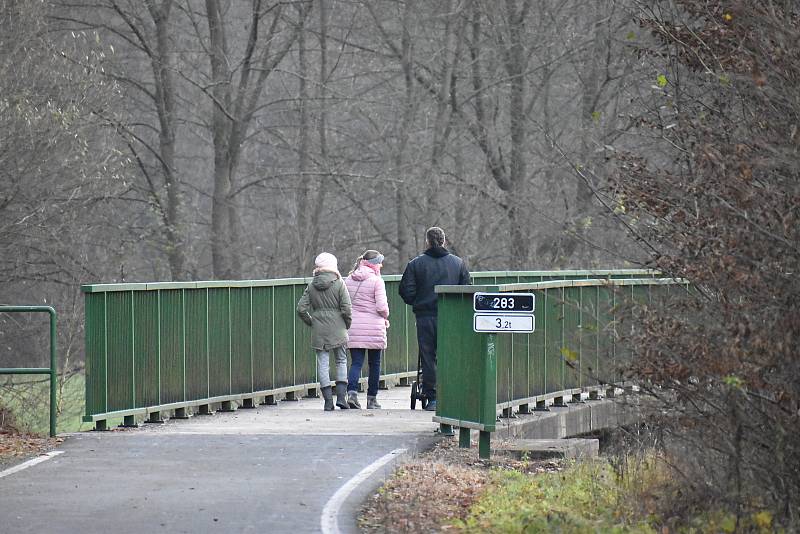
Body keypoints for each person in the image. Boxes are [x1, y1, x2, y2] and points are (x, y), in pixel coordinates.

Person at [399, 227, 470, 411]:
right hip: (451, 317)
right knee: (451, 355)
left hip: (426, 316)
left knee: (428, 356)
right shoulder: (458, 264)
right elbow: (467, 290)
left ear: (427, 242)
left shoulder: (416, 264)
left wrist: (419, 302)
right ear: (444, 241)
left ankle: (432, 396)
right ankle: (453, 393)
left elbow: (406, 291)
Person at [297, 252, 352, 411]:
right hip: (338, 328)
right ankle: (341, 398)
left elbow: (301, 309)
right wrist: (346, 324)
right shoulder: (340, 283)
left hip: (319, 330)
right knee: (341, 360)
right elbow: (347, 308)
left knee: (322, 363)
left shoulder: (311, 285)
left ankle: (328, 401)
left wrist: (312, 322)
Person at [344, 250, 390, 410]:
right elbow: (382, 307)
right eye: (380, 262)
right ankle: (372, 399)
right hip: (373, 327)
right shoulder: (377, 281)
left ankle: (352, 394)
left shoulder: (349, 279)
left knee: (356, 362)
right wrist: (386, 316)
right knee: (374, 363)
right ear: (374, 264)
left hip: (354, 326)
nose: (381, 265)